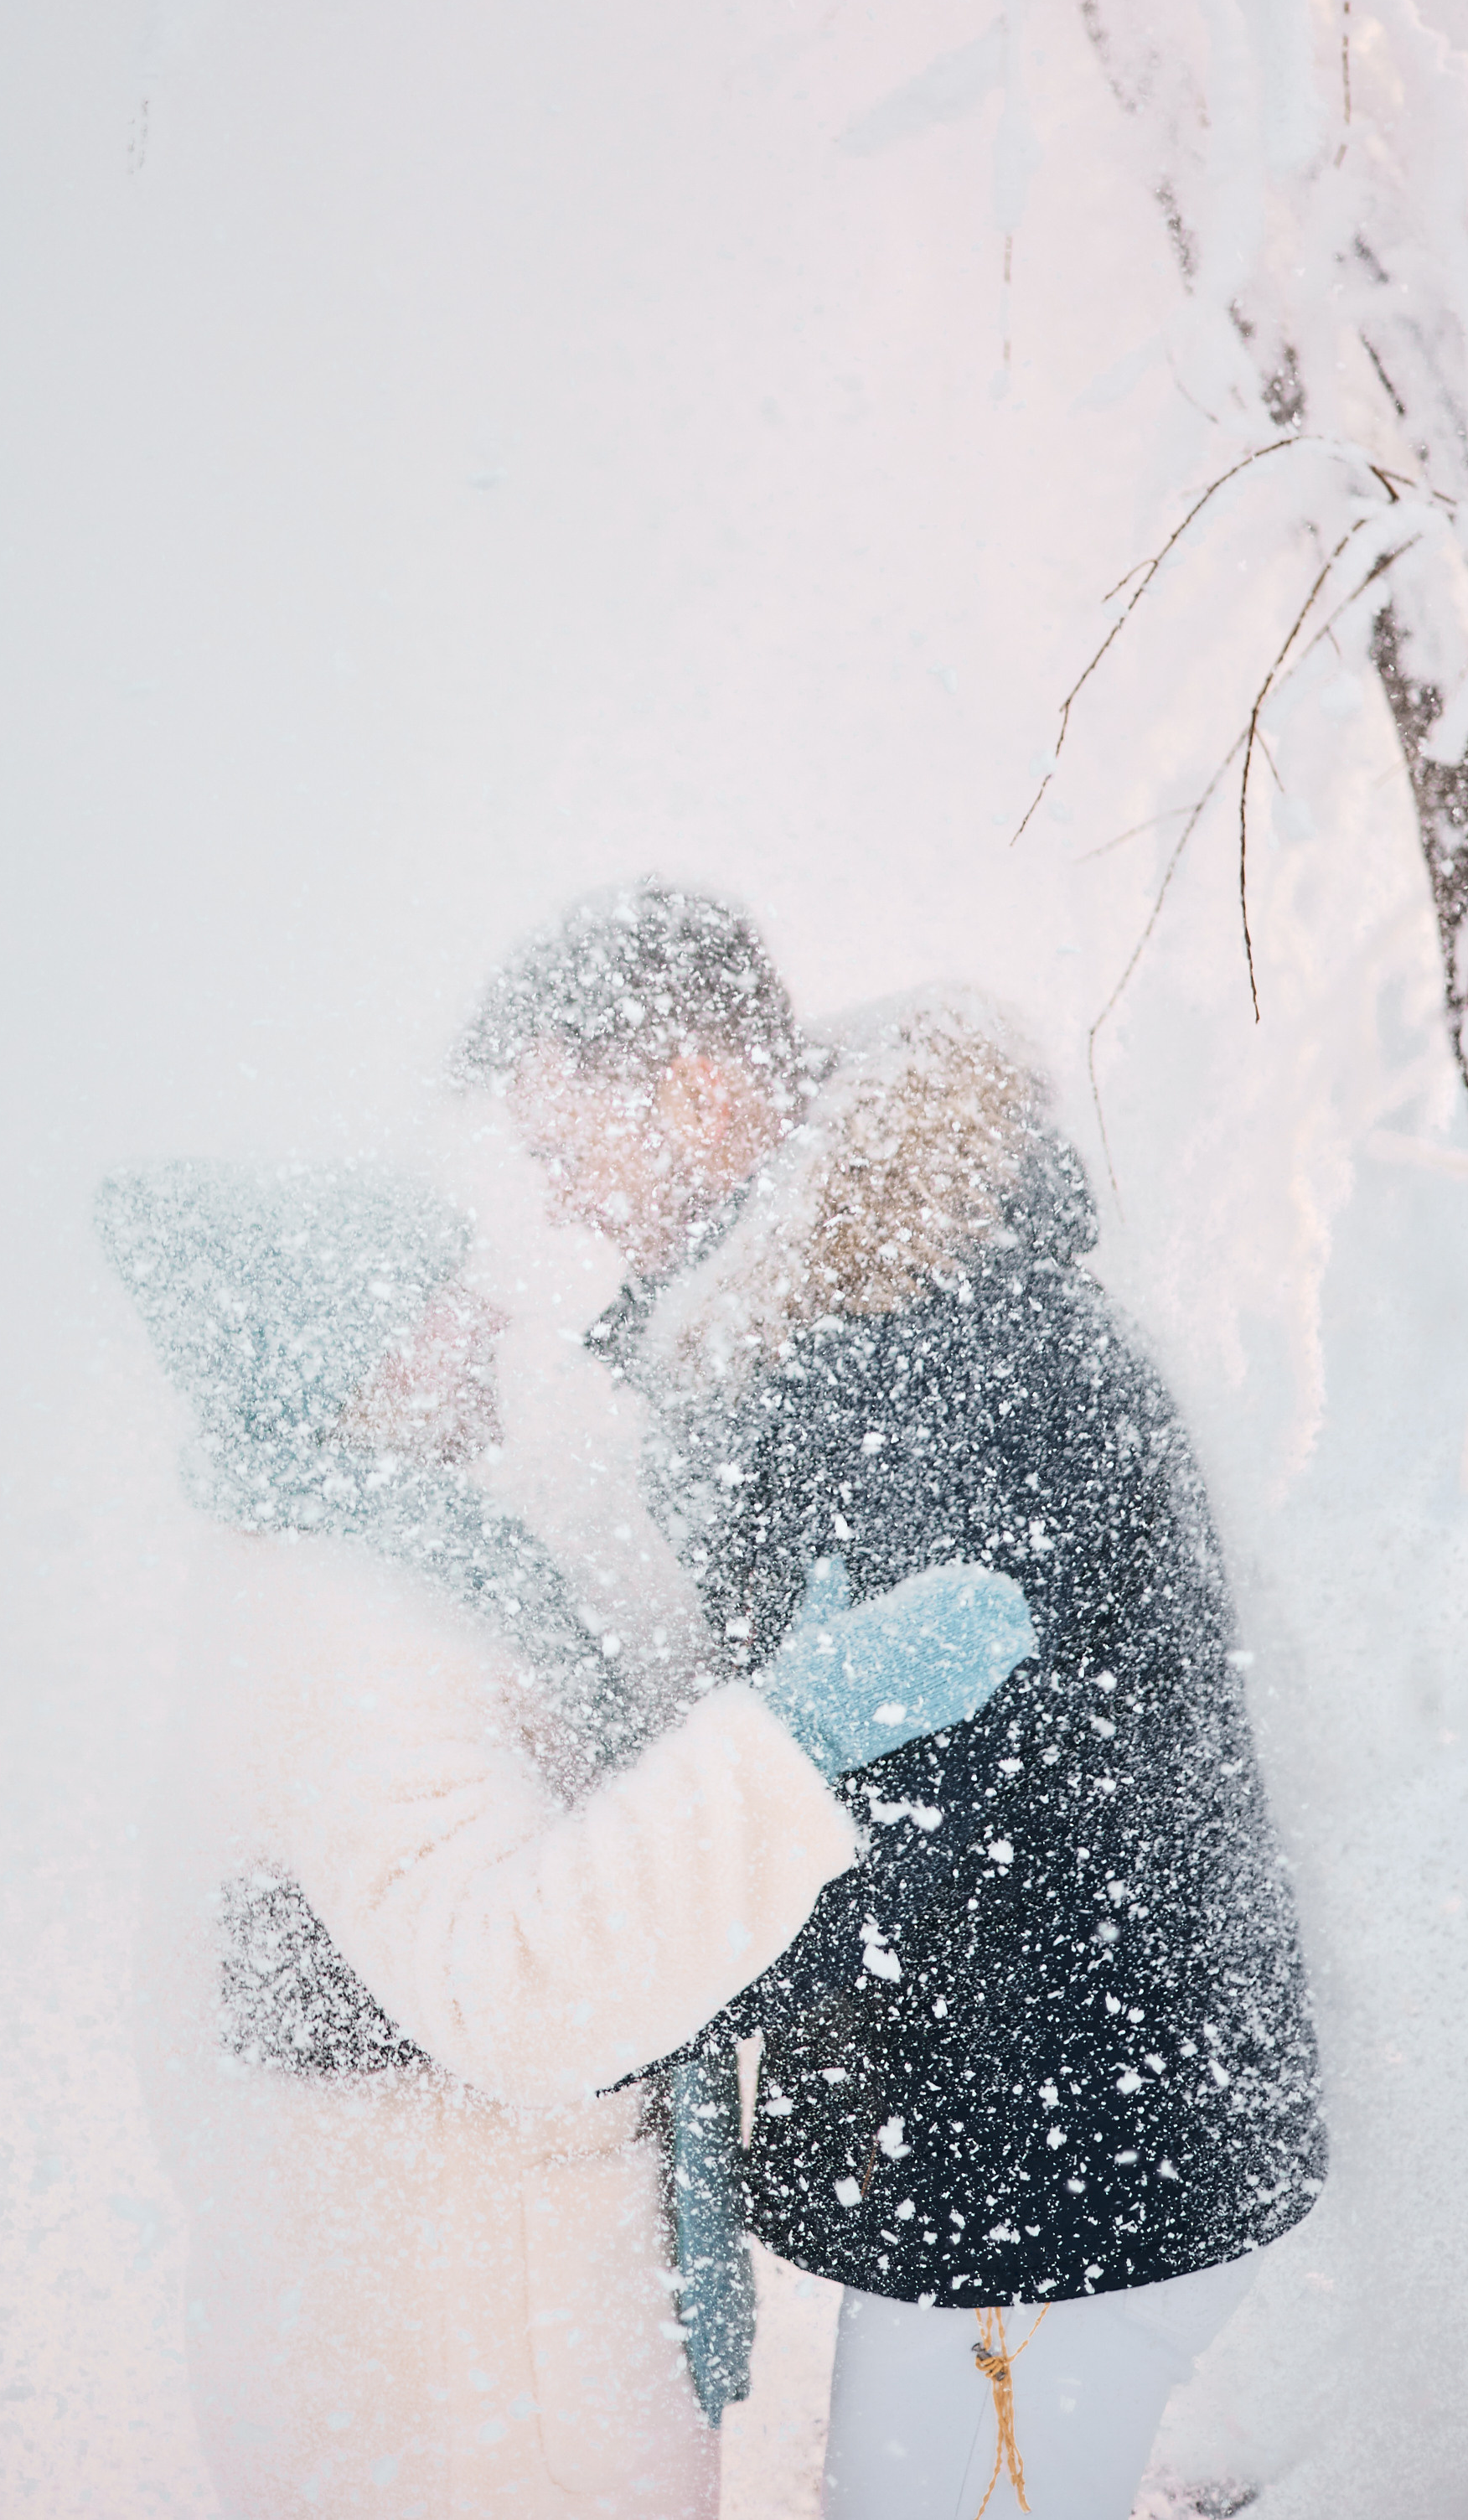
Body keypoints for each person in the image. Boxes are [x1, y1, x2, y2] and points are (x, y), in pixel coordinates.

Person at [453, 880, 1327, 2520]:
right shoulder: (861, 1319)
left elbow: (918, 1818)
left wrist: (574, 1970)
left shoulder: (913, 1346)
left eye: (573, 1151)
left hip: (1055, 2167)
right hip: (1031, 2142)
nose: (569, 1209)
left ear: (699, 1086)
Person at [96, 1155, 1033, 2518]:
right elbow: (515, 1984)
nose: (487, 1318)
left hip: (460, 2338)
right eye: (433, 1297)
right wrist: (786, 1739)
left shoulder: (372, 1565)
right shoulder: (344, 1631)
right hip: (472, 2383)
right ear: (339, 1358)